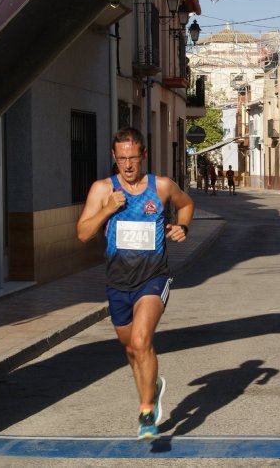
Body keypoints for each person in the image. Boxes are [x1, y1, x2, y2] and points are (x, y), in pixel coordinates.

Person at [76, 127, 194, 440]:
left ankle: (146, 410)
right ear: (114, 158)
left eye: (133, 158)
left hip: (153, 277)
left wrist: (182, 227)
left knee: (142, 341)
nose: (128, 165)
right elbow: (83, 234)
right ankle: (152, 385)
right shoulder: (103, 189)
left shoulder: (162, 186)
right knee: (131, 349)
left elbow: (186, 204)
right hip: (117, 281)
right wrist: (107, 209)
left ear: (143, 156)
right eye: (121, 159)